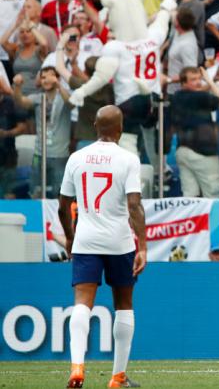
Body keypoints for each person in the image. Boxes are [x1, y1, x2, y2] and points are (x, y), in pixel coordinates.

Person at [58, 105, 147, 389]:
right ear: (120, 130)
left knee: (82, 302)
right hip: (119, 241)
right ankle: (118, 377)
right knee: (124, 304)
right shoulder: (128, 159)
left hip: (86, 239)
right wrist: (142, 246)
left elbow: (63, 206)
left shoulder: (76, 158)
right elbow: (134, 205)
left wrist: (70, 237)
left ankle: (76, 367)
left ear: (95, 126)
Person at [14, 68, 73, 197]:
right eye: (43, 77)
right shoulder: (38, 97)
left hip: (59, 155)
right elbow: (21, 102)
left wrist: (59, 85)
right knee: (35, 190)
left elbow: (71, 103)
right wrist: (17, 87)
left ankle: (57, 217)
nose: (46, 80)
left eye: (50, 76)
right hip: (39, 153)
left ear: (57, 78)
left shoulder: (63, 95)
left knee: (59, 193)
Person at [170, 67, 219, 198]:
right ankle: (213, 220)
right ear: (183, 83)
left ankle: (189, 219)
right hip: (203, 153)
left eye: (199, 79)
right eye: (193, 80)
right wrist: (210, 81)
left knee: (190, 196)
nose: (198, 82)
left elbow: (198, 92)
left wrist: (205, 84)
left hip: (182, 150)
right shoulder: (199, 97)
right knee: (214, 194)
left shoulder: (177, 96)